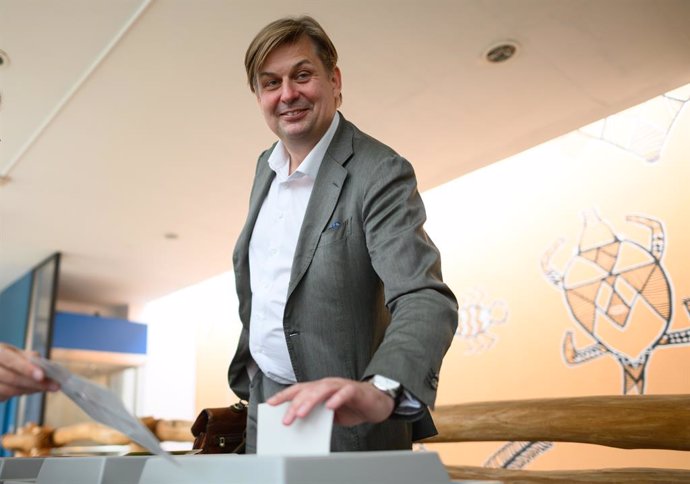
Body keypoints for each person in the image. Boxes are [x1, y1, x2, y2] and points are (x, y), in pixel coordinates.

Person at [227, 15, 458, 453]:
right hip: (270, 405)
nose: (288, 94)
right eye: (271, 83)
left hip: (348, 421)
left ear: (334, 80)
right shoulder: (265, 167)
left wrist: (380, 389)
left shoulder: (380, 172)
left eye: (302, 75)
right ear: (258, 96)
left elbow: (423, 297)